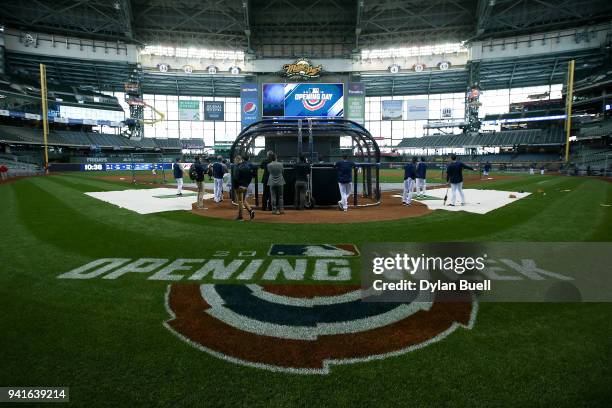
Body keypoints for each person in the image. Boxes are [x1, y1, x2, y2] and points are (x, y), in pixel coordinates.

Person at [231, 155, 255, 221]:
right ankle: (250, 211)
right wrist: (246, 184)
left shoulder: (237, 167)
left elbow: (235, 178)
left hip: (238, 187)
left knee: (240, 202)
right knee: (243, 200)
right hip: (245, 186)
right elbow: (251, 176)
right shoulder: (247, 166)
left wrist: (237, 185)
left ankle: (240, 217)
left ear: (236, 160)